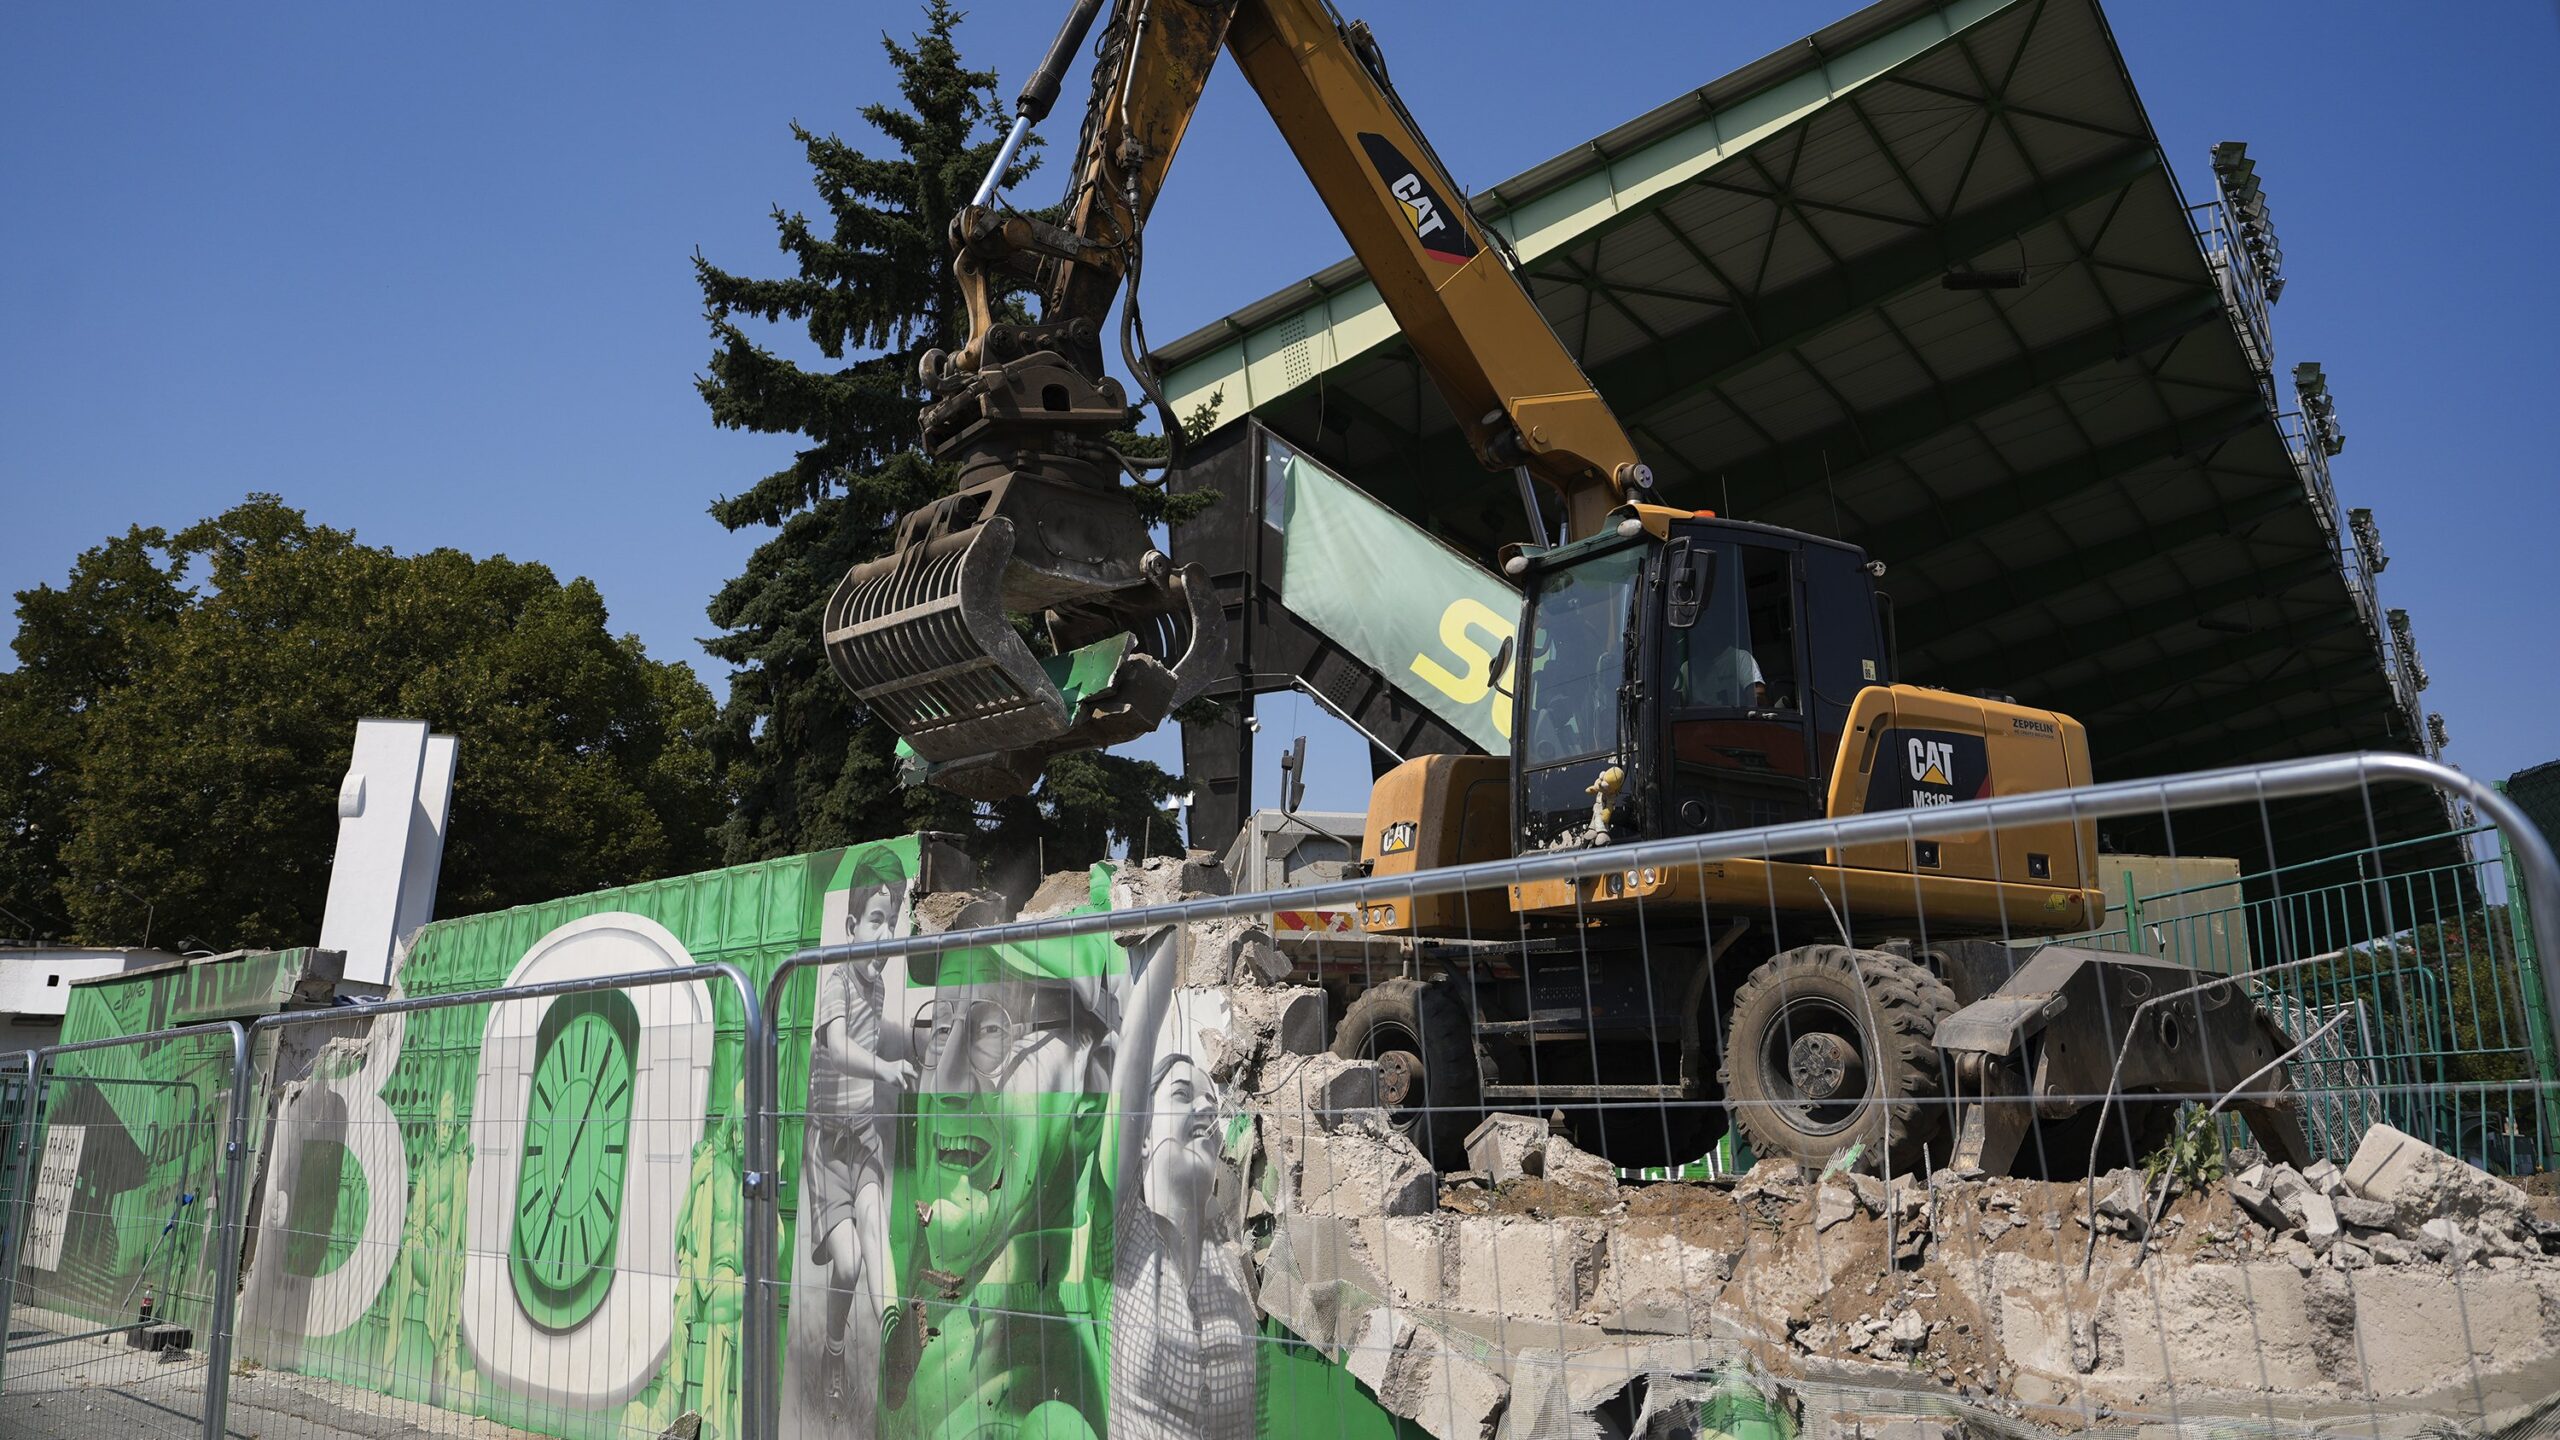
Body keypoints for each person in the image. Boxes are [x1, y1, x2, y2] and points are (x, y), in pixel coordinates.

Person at [803, 846, 915, 1420]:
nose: (884, 936)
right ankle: (834, 1350)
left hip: (863, 1135)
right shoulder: (836, 975)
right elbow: (841, 1047)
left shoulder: (877, 985)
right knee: (845, 1264)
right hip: (826, 1145)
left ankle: (898, 1338)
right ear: (851, 926)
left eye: (892, 924)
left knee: (876, 1226)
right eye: (876, 920)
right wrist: (887, 1069)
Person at [1108, 1053, 1254, 1440]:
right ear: (1142, 1135)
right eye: (1182, 1094)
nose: (1206, 1107)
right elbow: (1127, 1077)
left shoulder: (1234, 1250)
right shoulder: (1123, 1236)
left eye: (1211, 1101)